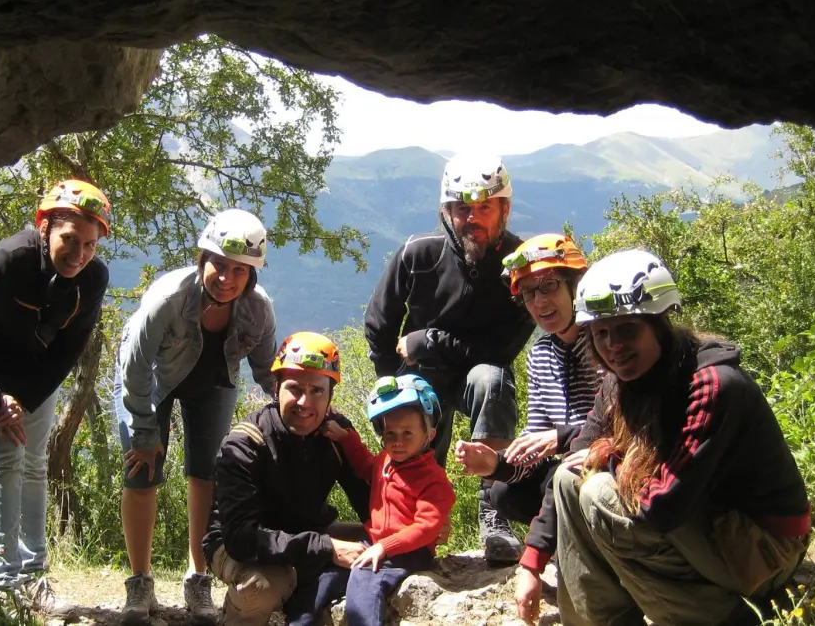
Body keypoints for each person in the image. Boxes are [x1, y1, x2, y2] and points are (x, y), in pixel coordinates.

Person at [554, 248, 811, 626]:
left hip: (765, 548)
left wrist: (611, 457)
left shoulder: (712, 385)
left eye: (627, 329)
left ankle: (719, 617)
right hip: (709, 524)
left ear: (659, 323)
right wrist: (532, 559)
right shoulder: (624, 381)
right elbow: (579, 452)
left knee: (598, 493)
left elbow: (665, 507)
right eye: (601, 333)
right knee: (568, 479)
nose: (613, 345)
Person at [364, 152, 536, 563]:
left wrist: (429, 340)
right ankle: (414, 527)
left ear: (505, 209)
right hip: (423, 376)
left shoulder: (520, 265)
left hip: (476, 374)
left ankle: (494, 512)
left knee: (492, 379)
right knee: (413, 420)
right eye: (462, 209)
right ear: (446, 212)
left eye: (485, 207)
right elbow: (379, 324)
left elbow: (503, 350)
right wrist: (393, 389)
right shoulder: (419, 254)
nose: (472, 218)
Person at [113, 208, 278, 626]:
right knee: (143, 470)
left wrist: (294, 410)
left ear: (251, 275)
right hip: (151, 382)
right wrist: (145, 432)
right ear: (202, 259)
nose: (226, 277)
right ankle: (140, 581)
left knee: (208, 474)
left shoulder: (258, 309)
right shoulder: (168, 299)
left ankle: (197, 577)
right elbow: (135, 369)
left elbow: (267, 369)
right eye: (219, 265)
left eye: (239, 270)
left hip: (213, 380)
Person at [0, 179, 110, 593]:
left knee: (35, 462)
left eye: (89, 245)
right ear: (44, 228)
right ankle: (3, 580)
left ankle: (34, 572)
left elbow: (69, 349)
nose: (78, 254)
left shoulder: (92, 278)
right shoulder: (10, 259)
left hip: (36, 369)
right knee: (6, 458)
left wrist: (26, 398)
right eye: (69, 239)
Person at [453, 233, 597, 625]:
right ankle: (568, 546)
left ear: (575, 285)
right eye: (528, 293)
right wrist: (496, 464)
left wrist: (560, 438)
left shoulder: (606, 342)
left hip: (605, 467)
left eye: (549, 286)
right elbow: (536, 445)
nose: (539, 302)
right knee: (502, 491)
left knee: (567, 476)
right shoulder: (541, 354)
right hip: (566, 474)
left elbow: (619, 426)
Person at [203, 332, 373, 626]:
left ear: (330, 395)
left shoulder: (335, 435)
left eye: (317, 391)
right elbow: (242, 539)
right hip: (239, 544)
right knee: (261, 587)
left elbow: (367, 499)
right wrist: (326, 548)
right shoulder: (245, 444)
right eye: (295, 388)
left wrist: (412, 526)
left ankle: (305, 595)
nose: (305, 402)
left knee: (383, 542)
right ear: (276, 388)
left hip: (308, 530)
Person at [321, 373, 456, 626]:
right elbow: (365, 467)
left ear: (429, 435)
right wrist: (346, 438)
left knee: (364, 577)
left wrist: (385, 547)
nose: (397, 442)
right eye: (390, 433)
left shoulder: (433, 478)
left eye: (407, 433)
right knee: (326, 568)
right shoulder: (386, 461)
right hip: (376, 540)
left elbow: (426, 527)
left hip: (409, 551)